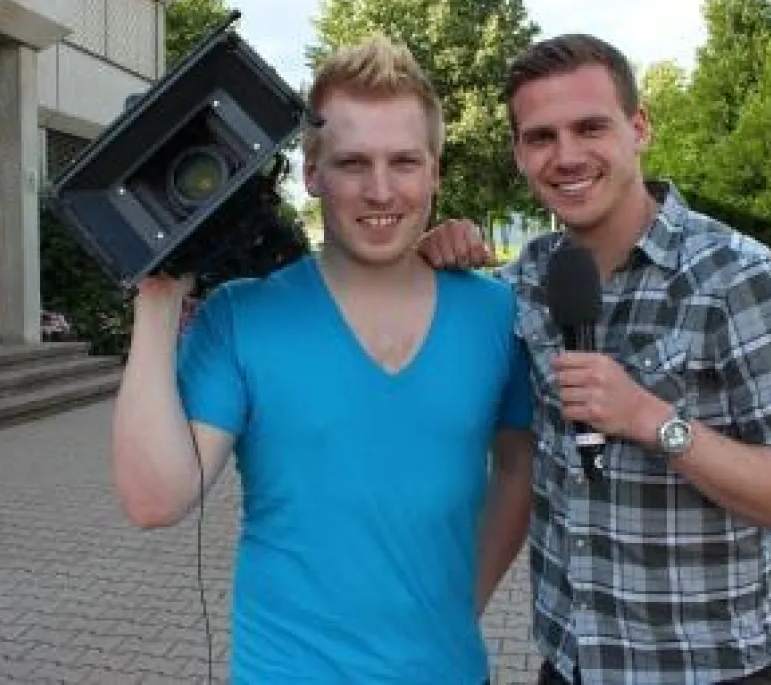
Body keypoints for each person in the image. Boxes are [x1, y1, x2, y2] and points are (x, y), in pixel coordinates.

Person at [419, 33, 771, 685]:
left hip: (711, 673)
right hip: (571, 666)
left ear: (638, 127)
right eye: (541, 137)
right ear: (519, 153)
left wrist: (652, 420)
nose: (567, 155)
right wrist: (427, 254)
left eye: (590, 127)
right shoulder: (524, 282)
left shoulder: (738, 278)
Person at [111, 35, 534, 684]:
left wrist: (458, 607)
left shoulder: (497, 314)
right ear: (312, 173)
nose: (381, 190)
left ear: (435, 171)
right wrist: (157, 297)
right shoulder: (240, 316)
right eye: (352, 163)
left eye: (404, 161)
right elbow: (154, 500)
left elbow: (518, 470)